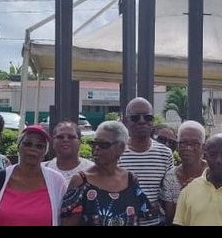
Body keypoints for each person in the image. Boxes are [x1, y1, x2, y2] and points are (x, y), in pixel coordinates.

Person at [60, 121, 160, 226]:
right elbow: (68, 222)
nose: (97, 148)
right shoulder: (81, 181)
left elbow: (142, 216)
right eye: (94, 143)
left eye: (104, 144)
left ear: (121, 148)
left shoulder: (130, 180)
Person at [0, 125, 68, 226]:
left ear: (45, 151)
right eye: (27, 144)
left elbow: (66, 219)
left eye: (39, 146)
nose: (33, 149)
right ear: (18, 147)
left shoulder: (57, 181)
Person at [118, 97, 174, 225]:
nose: (142, 121)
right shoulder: (116, 152)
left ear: (152, 122)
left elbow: (169, 193)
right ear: (125, 122)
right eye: (135, 117)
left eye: (147, 117)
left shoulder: (165, 154)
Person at [161, 120, 207, 224]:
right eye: (183, 143)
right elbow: (170, 219)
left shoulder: (212, 173)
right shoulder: (170, 178)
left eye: (195, 143)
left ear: (203, 148)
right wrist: (184, 194)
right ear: (177, 146)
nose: (188, 148)